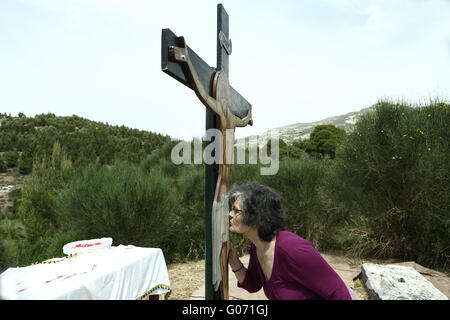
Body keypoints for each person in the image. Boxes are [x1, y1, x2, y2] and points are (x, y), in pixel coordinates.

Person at [227, 182, 354, 300]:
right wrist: (233, 261)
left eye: (236, 210)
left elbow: (340, 294)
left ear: (256, 218)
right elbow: (253, 284)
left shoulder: (293, 250)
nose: (230, 214)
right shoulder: (257, 246)